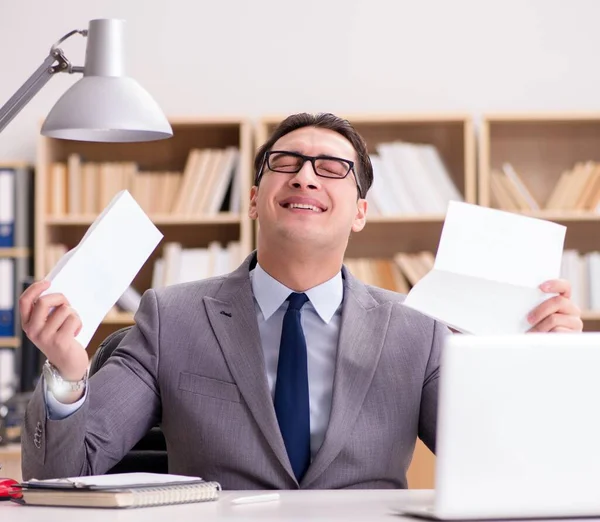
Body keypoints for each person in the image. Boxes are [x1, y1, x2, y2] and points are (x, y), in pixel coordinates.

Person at [19, 113, 583, 489]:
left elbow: (503, 469)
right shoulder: (171, 318)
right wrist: (68, 375)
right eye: (285, 163)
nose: (306, 177)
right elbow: (63, 472)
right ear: (254, 200)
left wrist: (543, 368)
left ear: (360, 211)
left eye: (332, 168)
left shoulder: (418, 331)